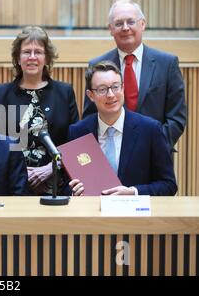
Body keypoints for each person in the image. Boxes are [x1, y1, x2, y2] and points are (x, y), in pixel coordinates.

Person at [83, 0, 187, 150]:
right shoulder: (96, 66)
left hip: (155, 157)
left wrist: (153, 146)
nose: (125, 28)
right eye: (118, 24)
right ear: (110, 29)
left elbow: (176, 117)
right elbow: (90, 117)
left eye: (131, 22)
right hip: (110, 154)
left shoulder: (167, 63)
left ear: (143, 24)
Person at [0, 26, 79, 195]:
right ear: (17, 57)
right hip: (11, 183)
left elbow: (74, 143)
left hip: (56, 183)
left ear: (46, 58)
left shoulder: (64, 92)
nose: (32, 57)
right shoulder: (0, 94)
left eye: (38, 52)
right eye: (26, 52)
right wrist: (21, 170)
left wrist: (51, 167)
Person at [69, 61, 177, 196]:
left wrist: (134, 192)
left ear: (123, 88)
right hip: (92, 212)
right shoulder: (78, 132)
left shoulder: (150, 129)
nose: (110, 95)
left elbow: (168, 185)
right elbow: (66, 183)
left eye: (115, 87)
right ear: (91, 95)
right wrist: (74, 192)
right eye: (102, 89)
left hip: (136, 213)